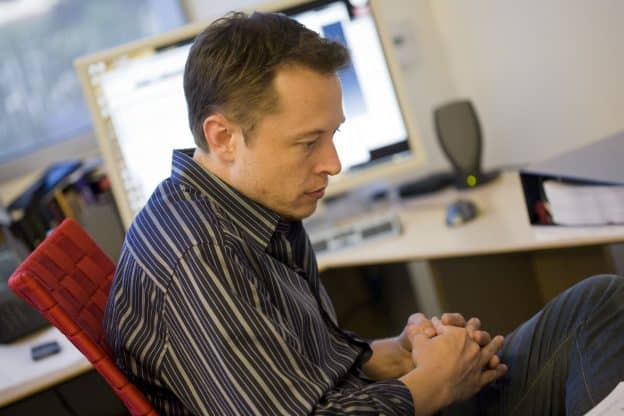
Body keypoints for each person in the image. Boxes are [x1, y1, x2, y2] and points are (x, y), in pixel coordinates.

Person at [104, 11, 624, 416]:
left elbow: (294, 368)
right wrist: (432, 382)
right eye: (308, 142)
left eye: (332, 135)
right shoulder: (201, 257)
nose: (332, 164)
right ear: (223, 137)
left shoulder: (243, 208)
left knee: (600, 302)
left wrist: (393, 353)